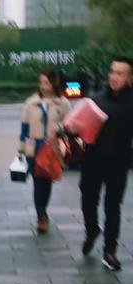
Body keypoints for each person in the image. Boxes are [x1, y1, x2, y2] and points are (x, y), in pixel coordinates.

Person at [80, 57, 133, 271]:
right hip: (92, 160)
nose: (114, 76)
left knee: (113, 206)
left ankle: (109, 251)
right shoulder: (96, 99)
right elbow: (80, 126)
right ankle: (92, 230)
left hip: (118, 162)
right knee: (88, 201)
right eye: (112, 71)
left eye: (120, 73)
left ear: (130, 78)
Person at [18, 69, 71, 234]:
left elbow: (69, 124)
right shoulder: (31, 102)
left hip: (52, 147)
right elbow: (24, 128)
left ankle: (43, 211)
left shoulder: (63, 103)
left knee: (47, 182)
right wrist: (21, 149)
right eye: (40, 82)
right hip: (34, 146)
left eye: (46, 82)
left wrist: (60, 128)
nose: (43, 86)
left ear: (54, 83)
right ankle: (41, 216)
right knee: (37, 182)